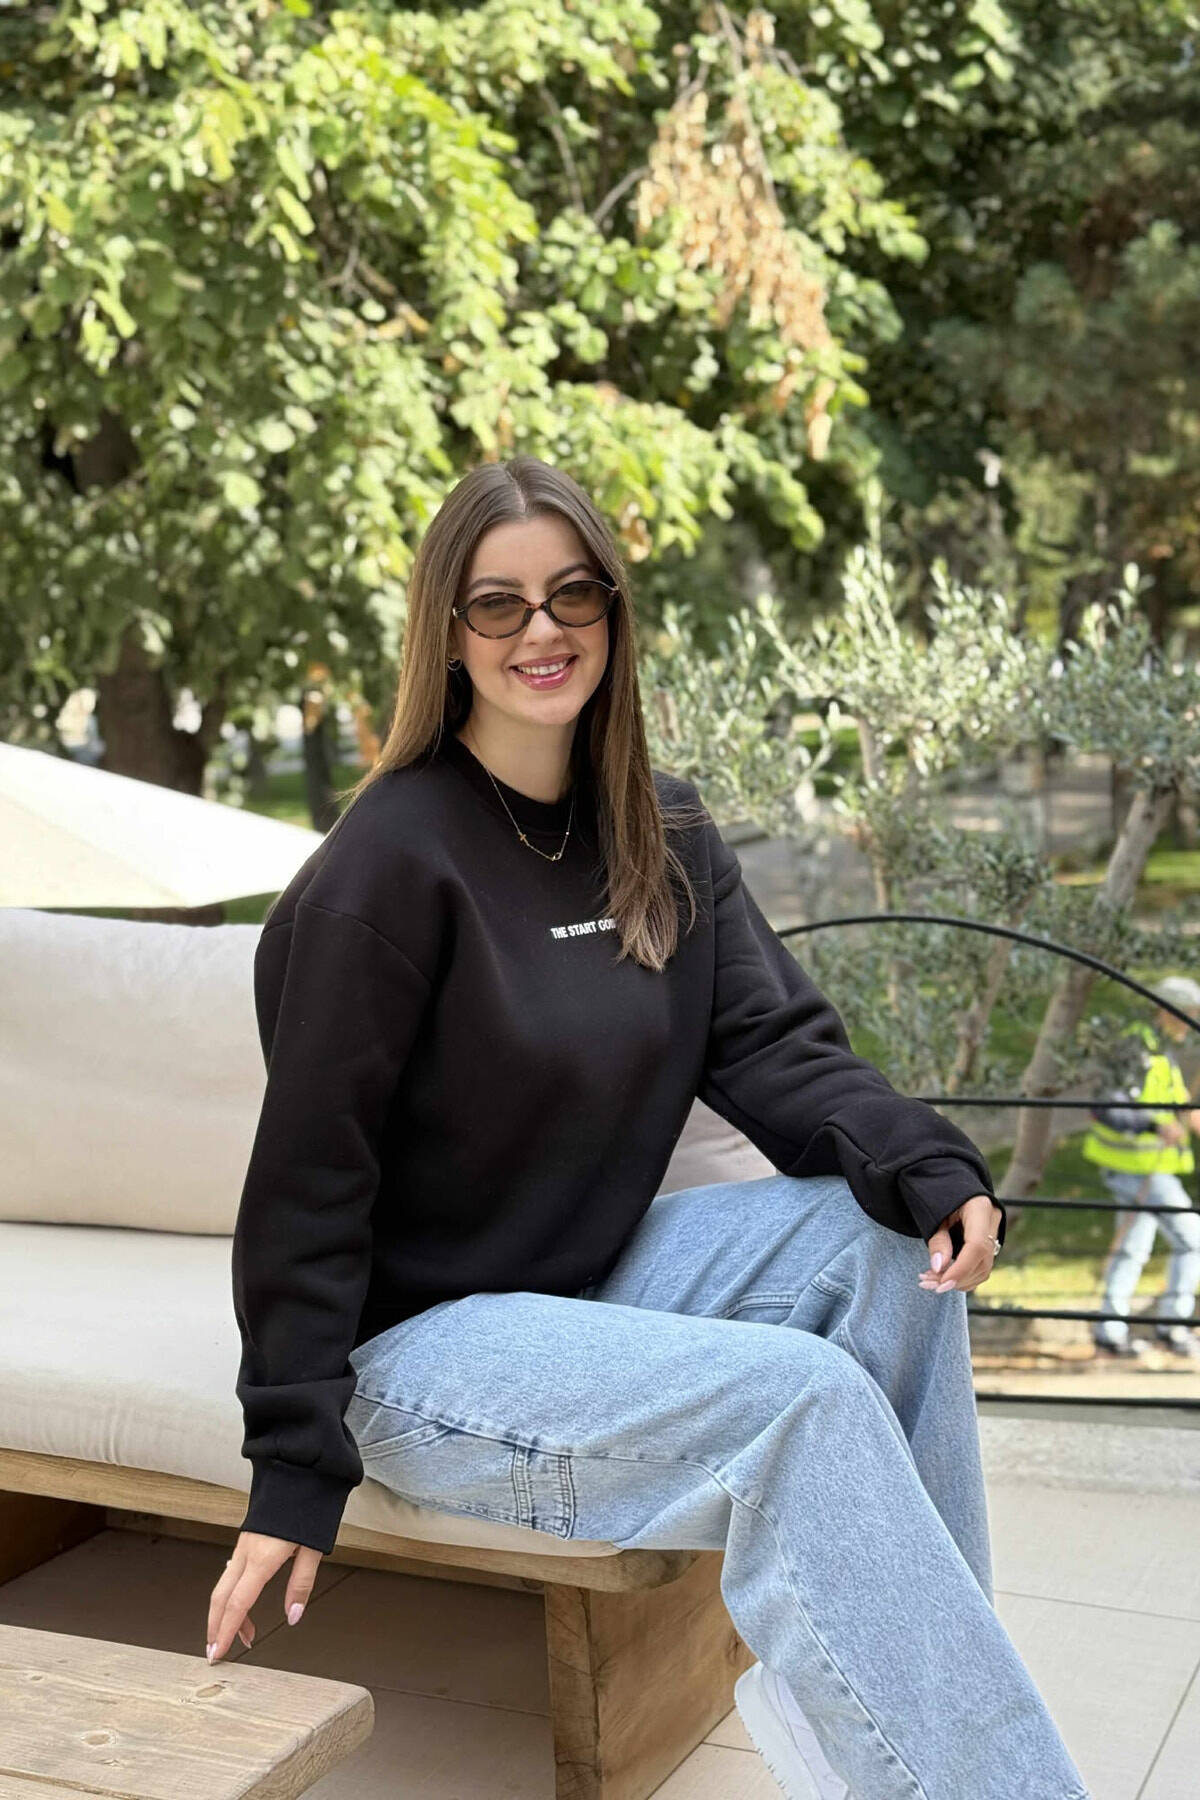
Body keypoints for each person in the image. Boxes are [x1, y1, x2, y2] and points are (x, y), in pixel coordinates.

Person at [206, 457, 1091, 1800]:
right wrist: (291, 1464)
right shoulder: (386, 864)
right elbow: (308, 1182)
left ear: (614, 614)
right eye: (497, 604)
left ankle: (920, 1732)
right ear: (447, 631)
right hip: (418, 1347)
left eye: (573, 594)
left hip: (586, 1272)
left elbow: (774, 1047)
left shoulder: (660, 830)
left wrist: (923, 1163)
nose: (541, 629)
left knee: (882, 1250)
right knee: (800, 1400)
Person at [1084, 975, 1200, 1361]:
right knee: (1193, 1239)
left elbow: (1174, 1108)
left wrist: (1180, 1120)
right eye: (1189, 1014)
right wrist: (1154, 1125)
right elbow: (1107, 1107)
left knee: (1133, 1248)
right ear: (1168, 1012)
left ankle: (1110, 1331)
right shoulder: (1138, 1048)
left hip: (1145, 1167)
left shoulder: (1159, 1049)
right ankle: (1173, 1327)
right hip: (1135, 1167)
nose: (1192, 1023)